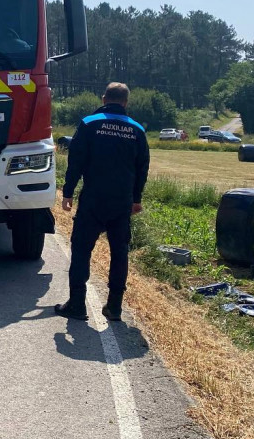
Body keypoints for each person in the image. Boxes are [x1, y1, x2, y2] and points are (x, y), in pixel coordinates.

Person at [56, 82, 150, 322]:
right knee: (119, 253)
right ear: (126, 103)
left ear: (103, 98)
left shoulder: (89, 123)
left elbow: (75, 161)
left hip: (93, 199)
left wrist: (67, 192)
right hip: (122, 202)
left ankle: (77, 304)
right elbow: (142, 168)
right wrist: (136, 199)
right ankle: (115, 307)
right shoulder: (137, 129)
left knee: (81, 250)